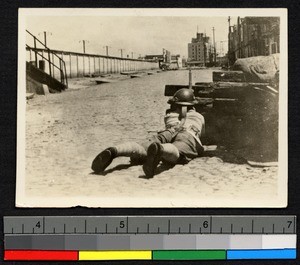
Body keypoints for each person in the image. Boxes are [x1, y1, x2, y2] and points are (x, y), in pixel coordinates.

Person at [91, 88, 205, 178]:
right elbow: (202, 136)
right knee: (177, 152)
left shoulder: (169, 116)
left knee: (142, 148)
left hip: (169, 131)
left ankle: (115, 150)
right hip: (188, 133)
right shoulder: (199, 117)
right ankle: (161, 150)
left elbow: (177, 116)